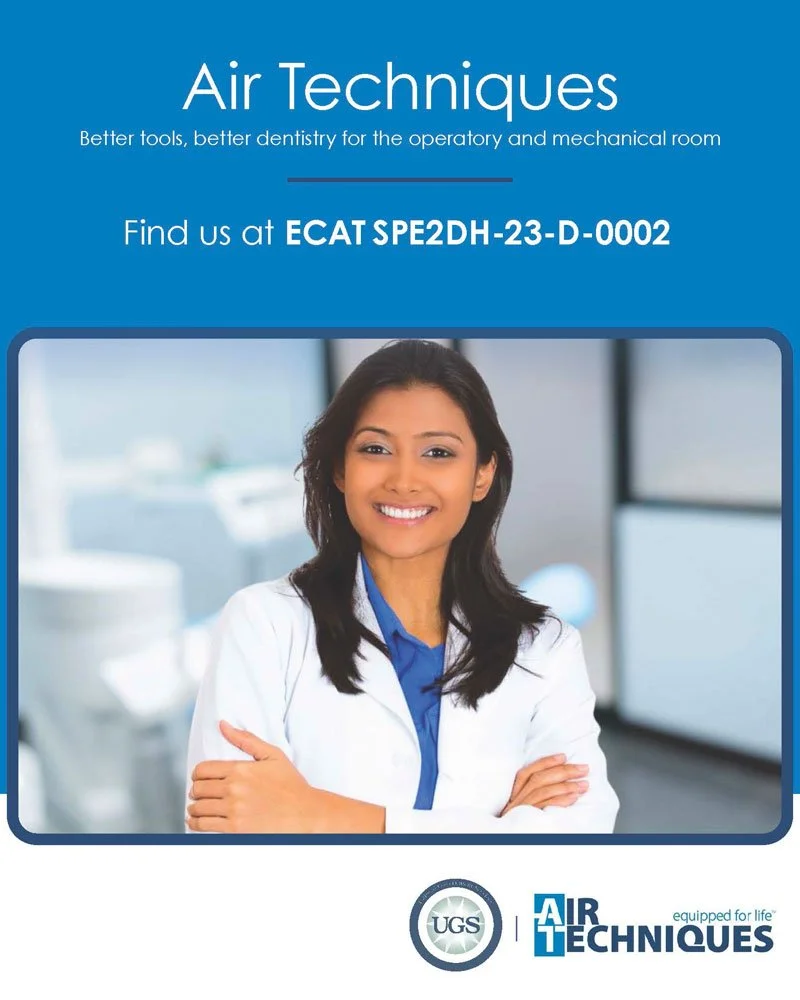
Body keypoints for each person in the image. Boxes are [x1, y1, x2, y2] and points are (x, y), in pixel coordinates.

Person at [185, 339, 619, 833]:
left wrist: (319, 814)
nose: (405, 480)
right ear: (339, 468)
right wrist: (499, 826)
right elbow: (226, 838)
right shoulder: (262, 624)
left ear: (482, 474)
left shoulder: (546, 646)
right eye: (376, 448)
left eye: (438, 452)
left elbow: (580, 837)